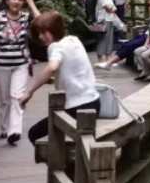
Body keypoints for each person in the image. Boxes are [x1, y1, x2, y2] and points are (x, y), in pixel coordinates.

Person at [19, 12, 99, 147]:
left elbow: (52, 66)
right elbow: (71, 67)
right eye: (39, 33)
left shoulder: (55, 47)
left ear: (55, 30)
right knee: (57, 130)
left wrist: (29, 92)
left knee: (34, 134)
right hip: (95, 102)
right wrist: (54, 78)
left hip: (78, 108)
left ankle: (60, 160)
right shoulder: (74, 40)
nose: (41, 37)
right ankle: (64, 159)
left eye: (44, 32)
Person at [0, 0, 40, 145]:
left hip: (21, 63)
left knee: (17, 96)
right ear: (8, 0)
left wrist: (30, 1)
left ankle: (14, 130)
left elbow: (41, 21)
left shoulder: (26, 17)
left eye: (20, 0)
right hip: (1, 64)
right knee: (5, 99)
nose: (17, 2)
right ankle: (5, 127)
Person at [95, 0, 116, 64]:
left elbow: (114, 8)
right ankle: (100, 60)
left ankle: (108, 59)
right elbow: (108, 8)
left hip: (110, 19)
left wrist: (111, 8)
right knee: (102, 39)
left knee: (109, 40)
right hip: (103, 20)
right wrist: (111, 8)